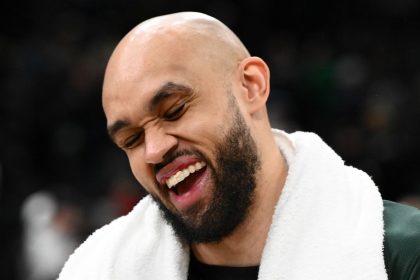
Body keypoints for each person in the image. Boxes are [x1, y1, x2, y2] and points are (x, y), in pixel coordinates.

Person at [57, 12, 420, 280]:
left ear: (251, 86)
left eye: (174, 110)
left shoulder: (401, 252)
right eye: (131, 139)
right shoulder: (97, 269)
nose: (153, 150)